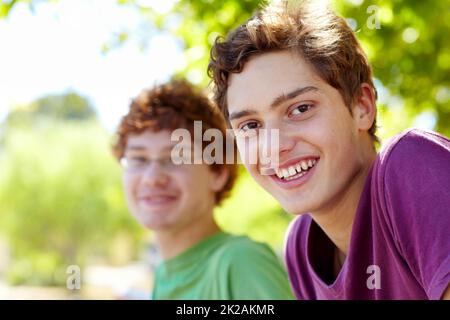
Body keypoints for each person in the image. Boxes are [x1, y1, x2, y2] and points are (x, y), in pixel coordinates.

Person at [208, 1, 450, 299]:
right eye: (250, 126)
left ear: (362, 106)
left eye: (300, 109)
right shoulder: (300, 246)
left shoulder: (411, 165)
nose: (274, 147)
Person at [112, 79, 294, 299]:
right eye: (138, 159)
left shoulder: (240, 263)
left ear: (218, 172)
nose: (152, 179)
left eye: (175, 158)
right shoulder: (164, 275)